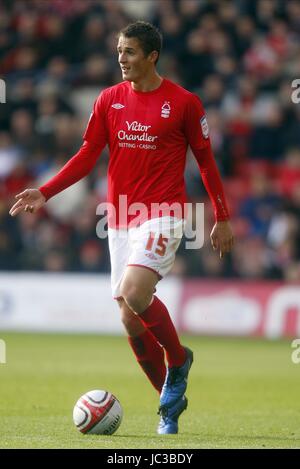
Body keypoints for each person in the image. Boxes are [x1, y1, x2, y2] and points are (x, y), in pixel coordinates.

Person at [9, 21, 234, 434]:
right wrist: (46, 192)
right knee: (129, 319)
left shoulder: (183, 103)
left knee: (134, 292)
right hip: (121, 216)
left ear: (152, 56)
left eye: (129, 52)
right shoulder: (109, 99)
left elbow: (205, 161)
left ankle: (178, 359)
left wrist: (221, 215)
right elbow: (86, 153)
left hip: (165, 212)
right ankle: (168, 403)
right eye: (118, 51)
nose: (121, 59)